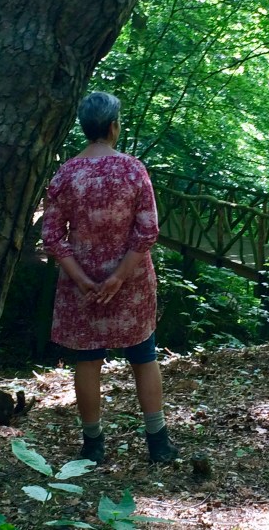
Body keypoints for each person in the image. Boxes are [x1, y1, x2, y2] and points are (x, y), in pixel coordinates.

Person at [41, 91, 179, 465]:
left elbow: (52, 235)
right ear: (114, 126)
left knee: (87, 361)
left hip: (80, 284)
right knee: (143, 356)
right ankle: (158, 442)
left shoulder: (67, 173)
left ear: (86, 128)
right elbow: (147, 232)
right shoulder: (133, 170)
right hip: (131, 283)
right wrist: (118, 277)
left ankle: (93, 446)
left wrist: (83, 279)